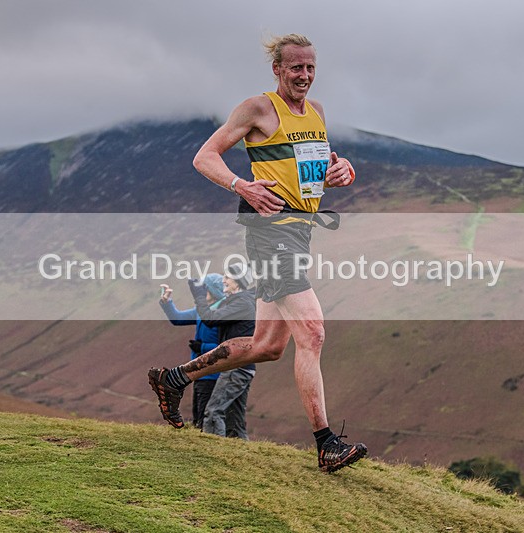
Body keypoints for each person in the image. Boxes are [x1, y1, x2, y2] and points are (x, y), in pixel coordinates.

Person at [149, 34, 366, 473]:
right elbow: (204, 156)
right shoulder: (258, 109)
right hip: (268, 233)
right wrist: (241, 184)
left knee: (267, 346)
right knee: (314, 331)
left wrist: (339, 172)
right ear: (277, 70)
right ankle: (326, 444)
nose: (304, 76)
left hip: (300, 233)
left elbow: (314, 171)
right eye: (295, 68)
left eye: (309, 68)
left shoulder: (318, 113)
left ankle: (174, 379)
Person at [192, 263, 257, 440]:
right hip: (242, 366)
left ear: (239, 282)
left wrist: (198, 296)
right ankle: (243, 458)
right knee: (235, 420)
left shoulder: (242, 303)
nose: (224, 280)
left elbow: (211, 319)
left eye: (228, 277)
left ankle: (213, 453)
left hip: (236, 367)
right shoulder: (241, 302)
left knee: (213, 411)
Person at [158, 273, 225, 429]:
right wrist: (167, 302)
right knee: (198, 414)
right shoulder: (201, 310)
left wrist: (201, 347)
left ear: (214, 291)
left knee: (205, 415)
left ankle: (207, 444)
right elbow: (177, 318)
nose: (201, 293)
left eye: (204, 290)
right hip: (199, 371)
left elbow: (225, 346)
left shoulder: (223, 313)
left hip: (213, 373)